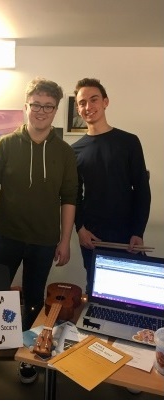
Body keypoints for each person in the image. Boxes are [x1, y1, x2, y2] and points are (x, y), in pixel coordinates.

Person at [0, 77, 78, 384]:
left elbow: (69, 198)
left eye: (48, 106)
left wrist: (65, 241)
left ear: (54, 110)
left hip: (43, 240)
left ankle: (28, 354)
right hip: (7, 237)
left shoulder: (64, 152)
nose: (41, 111)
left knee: (35, 300)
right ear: (26, 107)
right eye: (36, 105)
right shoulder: (5, 144)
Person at [71, 78, 151, 292]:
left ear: (105, 102)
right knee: (96, 289)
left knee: (132, 291)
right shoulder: (74, 151)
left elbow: (142, 189)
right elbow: (74, 196)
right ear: (78, 109)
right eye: (82, 102)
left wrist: (138, 230)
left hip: (126, 233)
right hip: (92, 235)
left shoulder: (129, 142)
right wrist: (80, 229)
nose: (88, 107)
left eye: (94, 100)